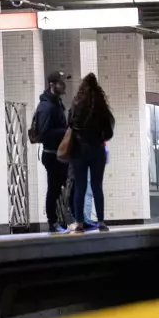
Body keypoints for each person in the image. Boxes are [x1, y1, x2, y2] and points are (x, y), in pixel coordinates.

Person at [67, 73, 115, 233]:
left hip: (79, 150)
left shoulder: (76, 106)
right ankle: (101, 222)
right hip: (97, 150)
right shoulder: (102, 107)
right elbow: (109, 132)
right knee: (97, 186)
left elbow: (70, 125)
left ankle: (79, 223)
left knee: (80, 186)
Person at [34, 71, 71, 233]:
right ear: (52, 85)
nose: (64, 85)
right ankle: (53, 221)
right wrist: (66, 131)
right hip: (52, 154)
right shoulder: (46, 106)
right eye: (61, 83)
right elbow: (44, 134)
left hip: (59, 154)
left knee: (65, 187)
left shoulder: (56, 103)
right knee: (55, 188)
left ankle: (65, 220)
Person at [83, 142, 109, 226]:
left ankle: (85, 220)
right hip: (98, 152)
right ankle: (98, 220)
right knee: (95, 188)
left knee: (87, 191)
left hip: (84, 153)